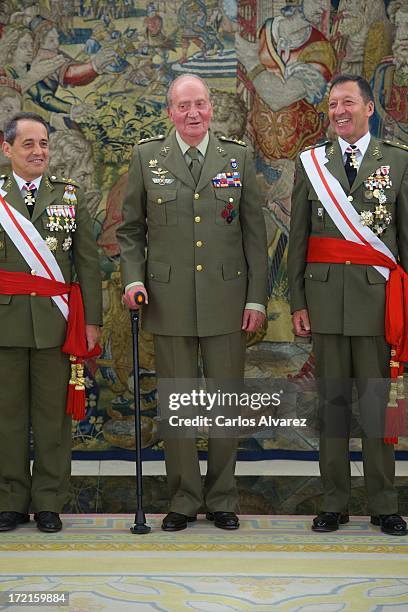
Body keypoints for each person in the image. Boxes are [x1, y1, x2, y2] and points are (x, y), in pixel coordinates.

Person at [117, 74, 268, 532]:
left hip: (226, 299)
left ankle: (222, 496)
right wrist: (133, 279)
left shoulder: (237, 157)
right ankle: (183, 499)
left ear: (211, 108)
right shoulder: (147, 157)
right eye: (183, 106)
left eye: (199, 104)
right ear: (170, 112)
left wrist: (257, 299)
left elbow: (255, 237)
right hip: (169, 301)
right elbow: (129, 231)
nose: (193, 113)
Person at [287, 74, 408, 536]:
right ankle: (334, 501)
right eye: (333, 104)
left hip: (380, 306)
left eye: (348, 103)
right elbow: (299, 238)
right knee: (333, 408)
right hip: (327, 304)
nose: (339, 111)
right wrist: (298, 299)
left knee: (381, 409)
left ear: (369, 108)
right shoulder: (312, 164)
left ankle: (383, 503)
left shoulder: (396, 162)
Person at [0, 112, 102, 533]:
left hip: (55, 325)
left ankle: (47, 501)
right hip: (4, 324)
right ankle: (9, 498)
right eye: (29, 144)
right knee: (6, 417)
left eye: (43, 143)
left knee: (52, 419)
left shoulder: (69, 197)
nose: (39, 151)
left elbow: (88, 266)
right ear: (7, 149)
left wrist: (91, 322)